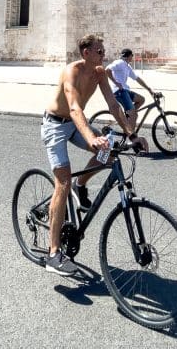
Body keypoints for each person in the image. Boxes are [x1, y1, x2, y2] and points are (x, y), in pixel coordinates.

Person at [40, 34, 147, 276]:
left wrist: (132, 135)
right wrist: (90, 138)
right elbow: (75, 108)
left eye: (103, 50)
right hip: (56, 124)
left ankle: (82, 184)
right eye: (99, 51)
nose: (103, 55)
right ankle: (53, 253)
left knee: (107, 153)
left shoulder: (99, 73)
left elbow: (113, 105)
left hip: (75, 124)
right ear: (85, 52)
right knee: (62, 182)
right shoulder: (71, 72)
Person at [104, 48, 153, 135]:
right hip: (119, 91)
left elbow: (137, 78)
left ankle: (128, 117)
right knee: (134, 115)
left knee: (141, 99)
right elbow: (107, 69)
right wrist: (116, 82)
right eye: (132, 56)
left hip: (125, 90)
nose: (132, 58)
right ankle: (132, 138)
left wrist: (148, 88)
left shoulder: (127, 66)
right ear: (129, 56)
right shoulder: (119, 62)